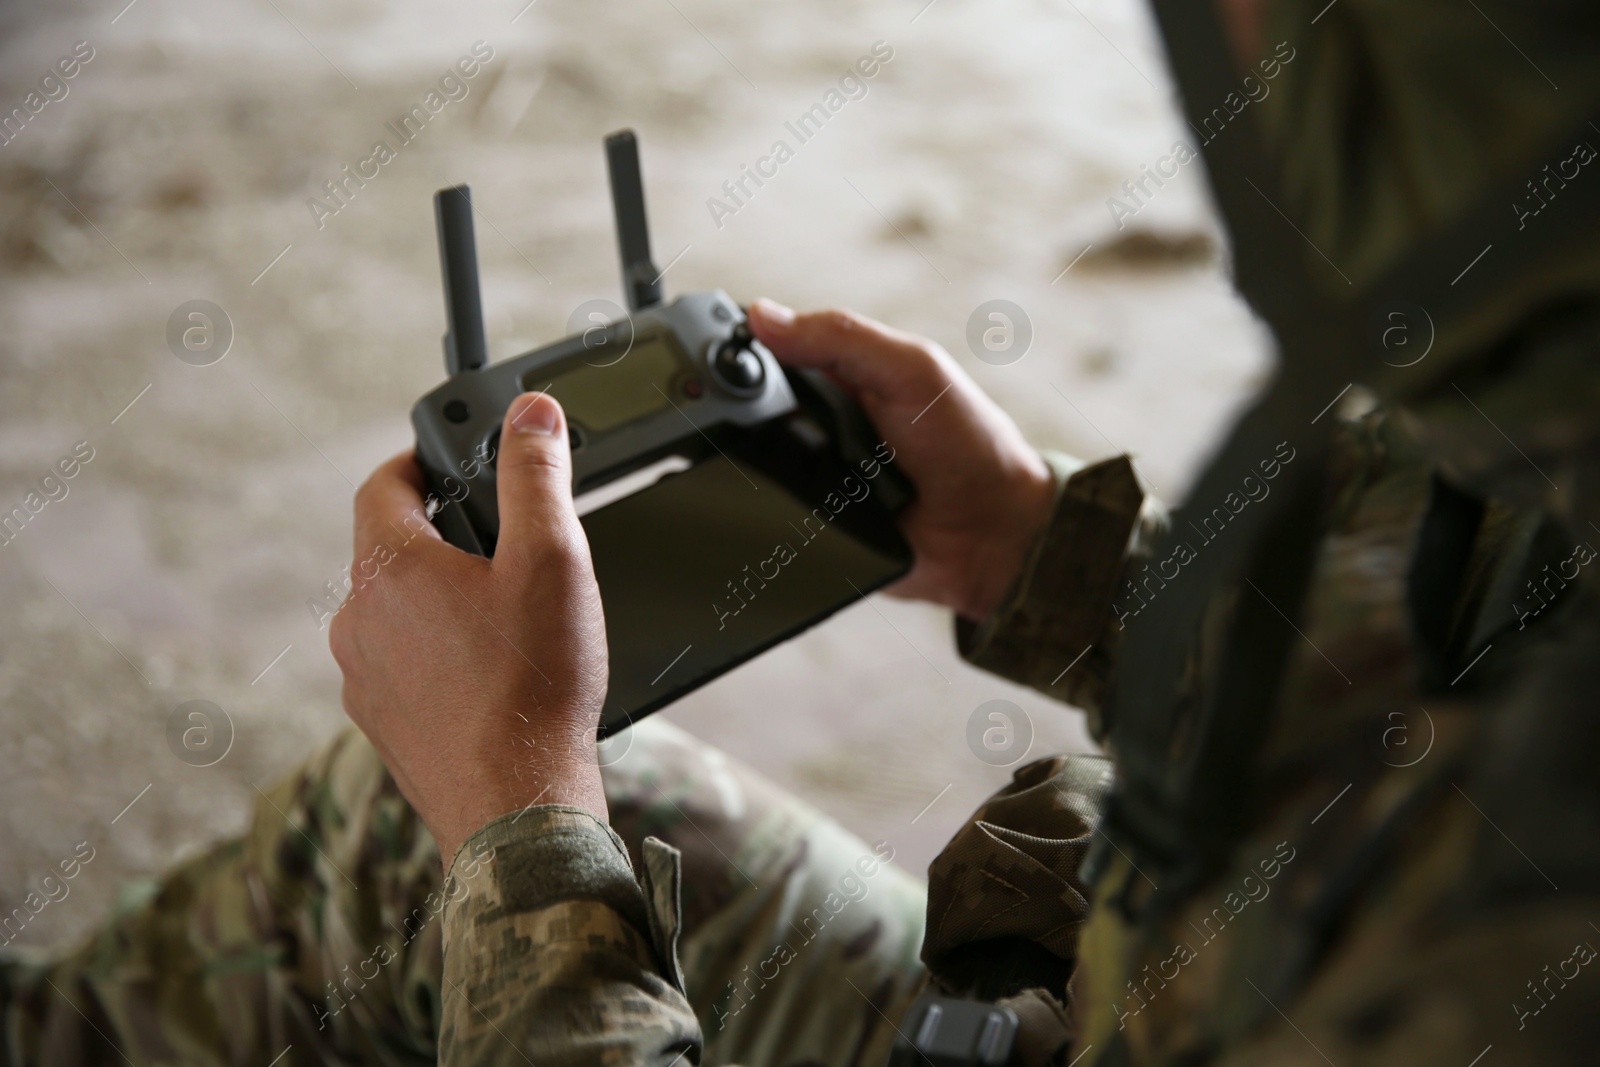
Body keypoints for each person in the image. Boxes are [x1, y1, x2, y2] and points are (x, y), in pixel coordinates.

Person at [8, 0, 1600, 1064]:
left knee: (498, 827)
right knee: (418, 822)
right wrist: (1051, 558)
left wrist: (519, 825)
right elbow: (1487, 613)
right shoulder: (1547, 394)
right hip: (1101, 998)